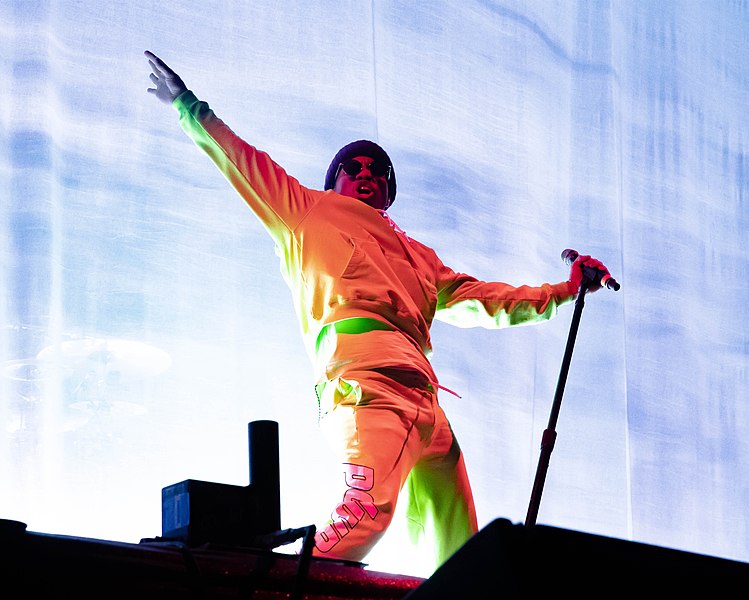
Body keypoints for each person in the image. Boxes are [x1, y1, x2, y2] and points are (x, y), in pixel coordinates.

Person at [143, 50, 611, 573]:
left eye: (378, 172)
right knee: (364, 515)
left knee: (458, 549)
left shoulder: (419, 257)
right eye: (353, 168)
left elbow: (491, 300)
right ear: (333, 180)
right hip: (366, 385)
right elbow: (242, 161)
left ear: (388, 190)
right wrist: (188, 106)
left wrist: (566, 290)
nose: (366, 175)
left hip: (426, 404)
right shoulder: (305, 212)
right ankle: (261, 589)